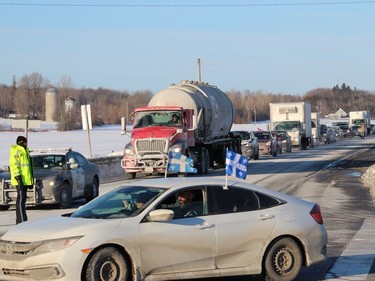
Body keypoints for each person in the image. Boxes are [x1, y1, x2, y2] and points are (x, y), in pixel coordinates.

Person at [9, 136, 34, 224]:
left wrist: (30, 181)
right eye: (25, 142)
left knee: (23, 200)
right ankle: (21, 220)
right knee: (20, 200)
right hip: (20, 180)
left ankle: (22, 219)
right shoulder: (17, 151)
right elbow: (14, 166)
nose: (27, 144)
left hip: (25, 180)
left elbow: (29, 169)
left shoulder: (25, 151)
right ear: (22, 142)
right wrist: (18, 179)